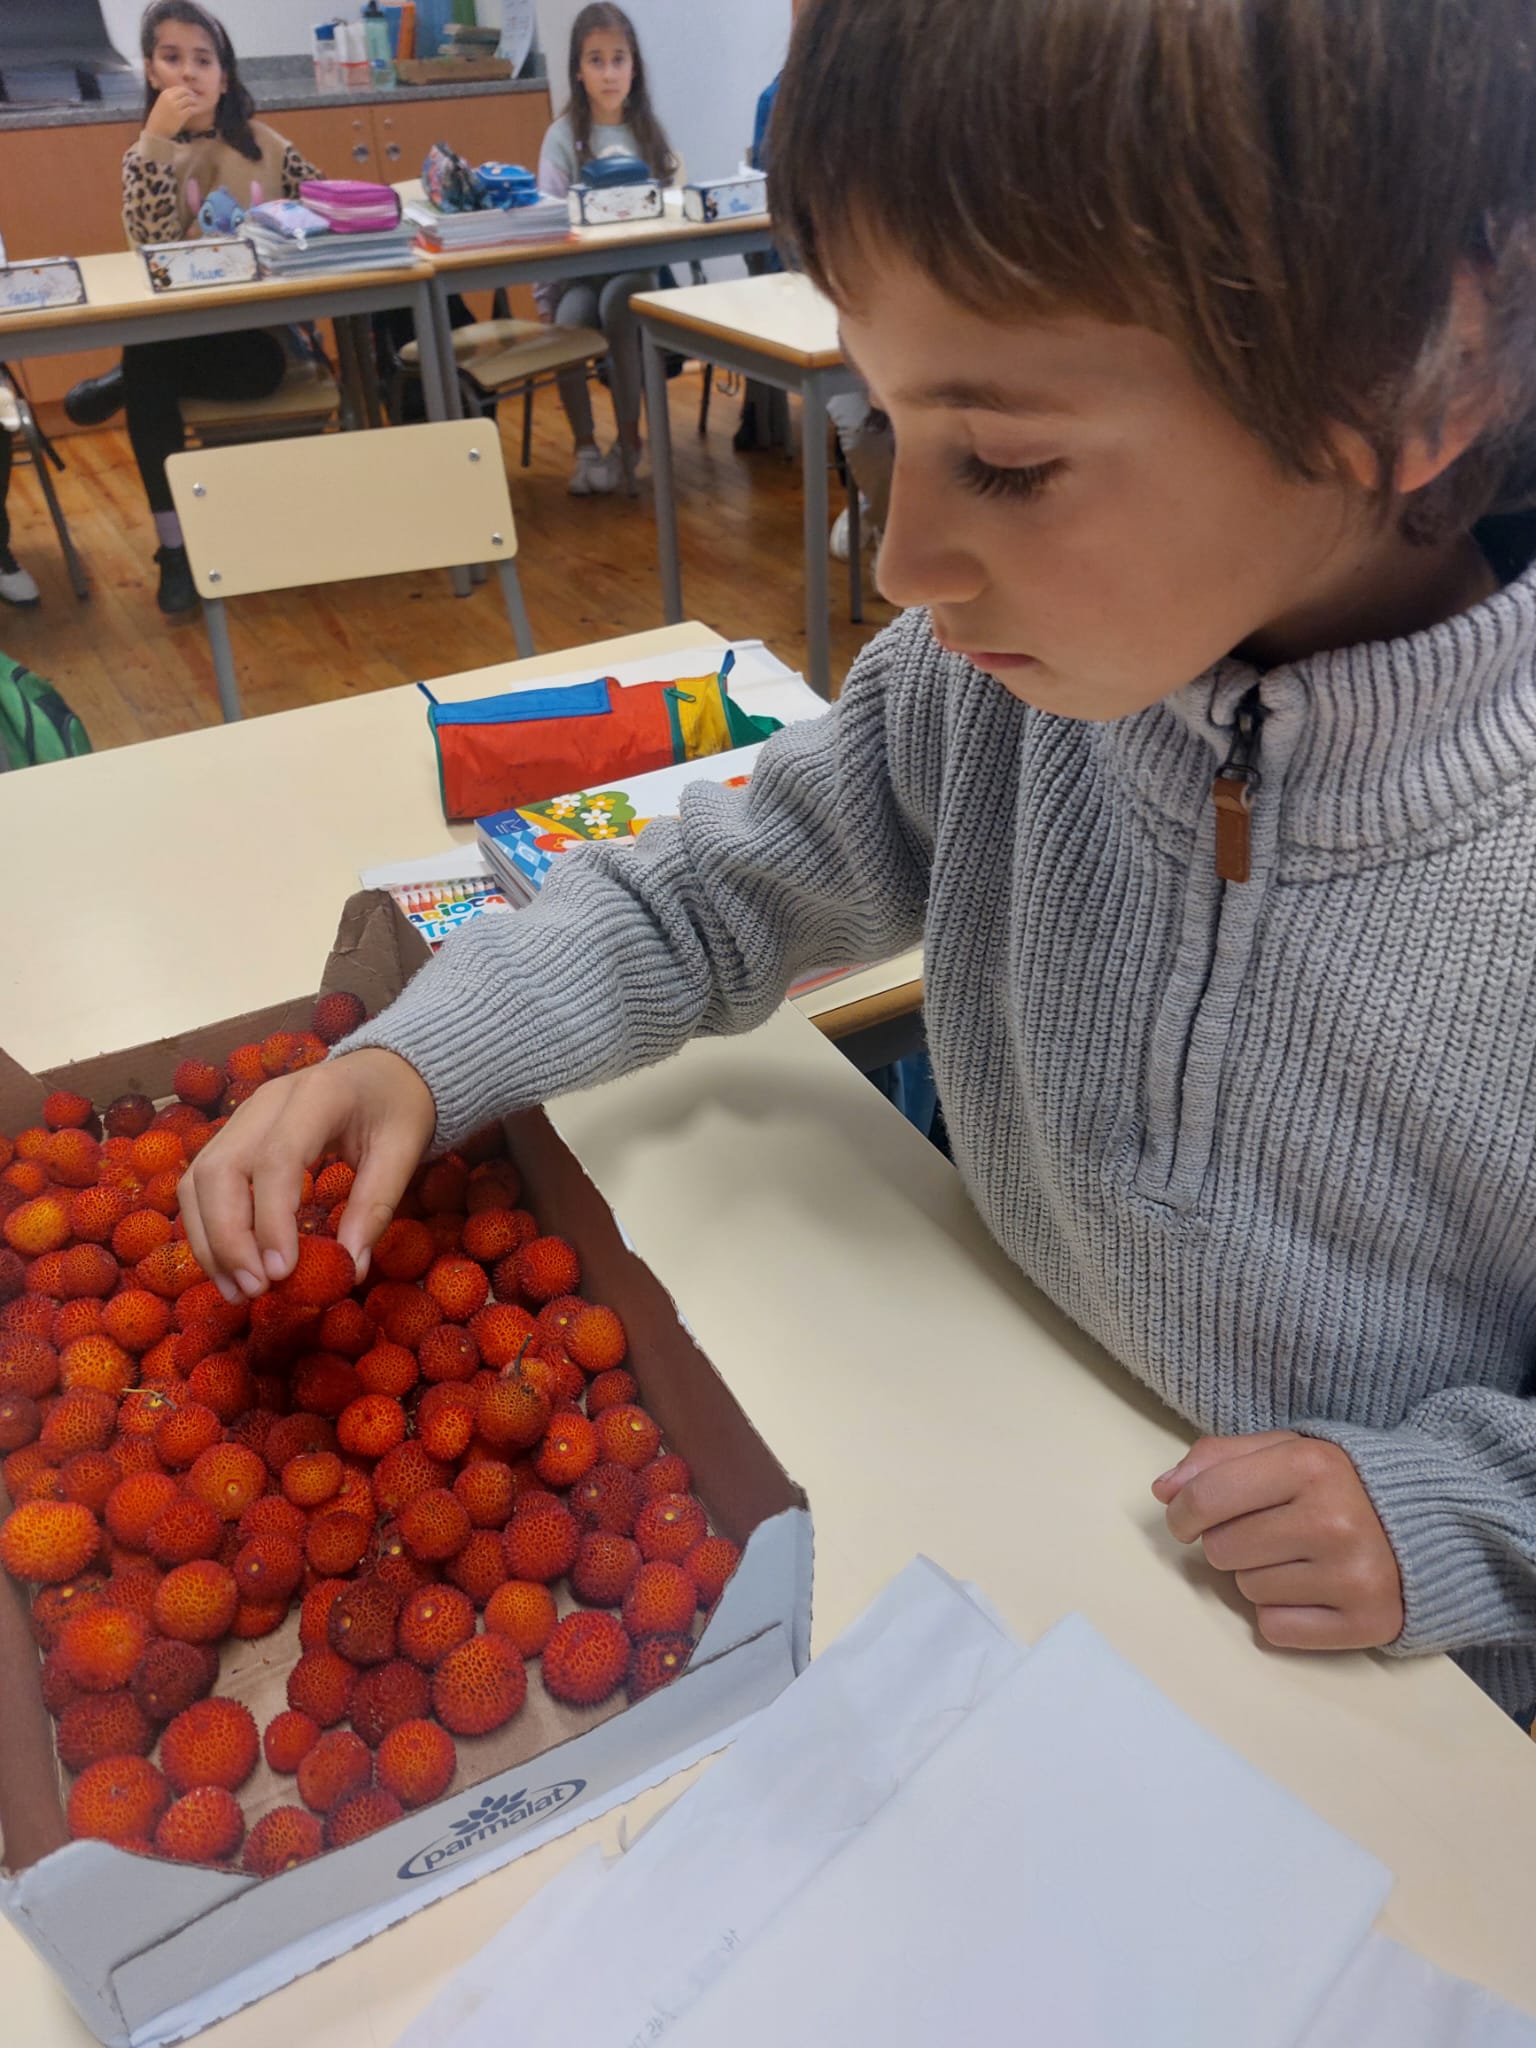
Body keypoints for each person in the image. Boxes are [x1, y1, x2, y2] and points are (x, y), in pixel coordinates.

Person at [184, 0, 1536, 1722]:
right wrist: (418, 1051)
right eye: (882, 425)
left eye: (1013, 462)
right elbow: (703, 887)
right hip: (981, 1520)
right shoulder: (989, 699)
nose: (900, 561)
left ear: (1426, 376)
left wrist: (1459, 1516)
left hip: (1360, 1708)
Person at [65, 2, 320, 615]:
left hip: (259, 337)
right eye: (171, 59)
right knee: (151, 363)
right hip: (178, 332)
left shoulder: (266, 145)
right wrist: (154, 142)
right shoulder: (145, 155)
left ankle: (122, 382)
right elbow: (147, 245)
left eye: (203, 60)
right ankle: (175, 549)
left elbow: (325, 207)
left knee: (156, 370)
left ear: (225, 77)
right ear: (150, 73)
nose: (188, 74)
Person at [534, 3, 678, 497]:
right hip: (579, 277)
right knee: (569, 323)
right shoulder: (562, 138)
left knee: (622, 304)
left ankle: (629, 442)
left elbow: (670, 209)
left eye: (619, 59)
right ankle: (584, 448)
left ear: (634, 67)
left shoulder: (648, 133)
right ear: (578, 70)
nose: (609, 72)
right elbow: (547, 225)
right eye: (596, 60)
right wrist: (545, 300)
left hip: (637, 273)